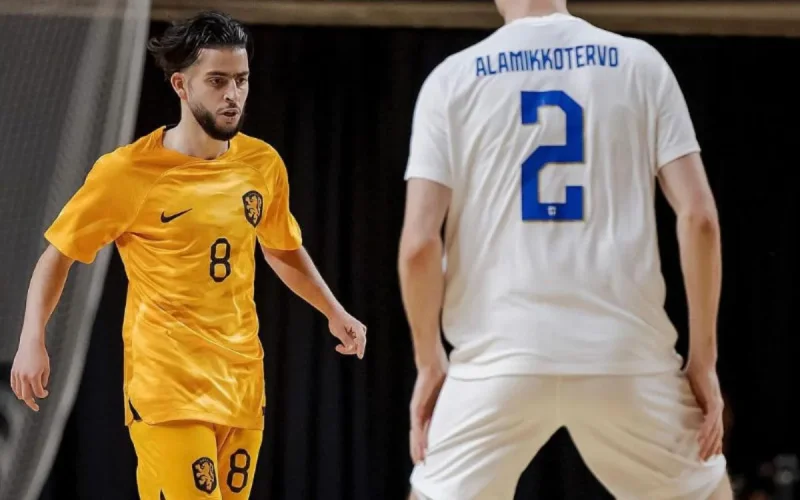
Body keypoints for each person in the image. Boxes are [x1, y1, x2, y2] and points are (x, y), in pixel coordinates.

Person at [10, 11, 367, 500]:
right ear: (181, 84)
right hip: (168, 386)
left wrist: (334, 310)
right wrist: (33, 338)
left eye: (240, 80)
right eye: (217, 81)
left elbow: (282, 247)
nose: (232, 94)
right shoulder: (128, 171)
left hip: (241, 381)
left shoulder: (261, 163)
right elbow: (58, 255)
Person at [397, 0, 731, 498]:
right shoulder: (640, 64)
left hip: (497, 362)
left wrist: (429, 363)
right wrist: (703, 360)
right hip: (625, 358)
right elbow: (700, 218)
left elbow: (419, 245)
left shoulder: (452, 79)